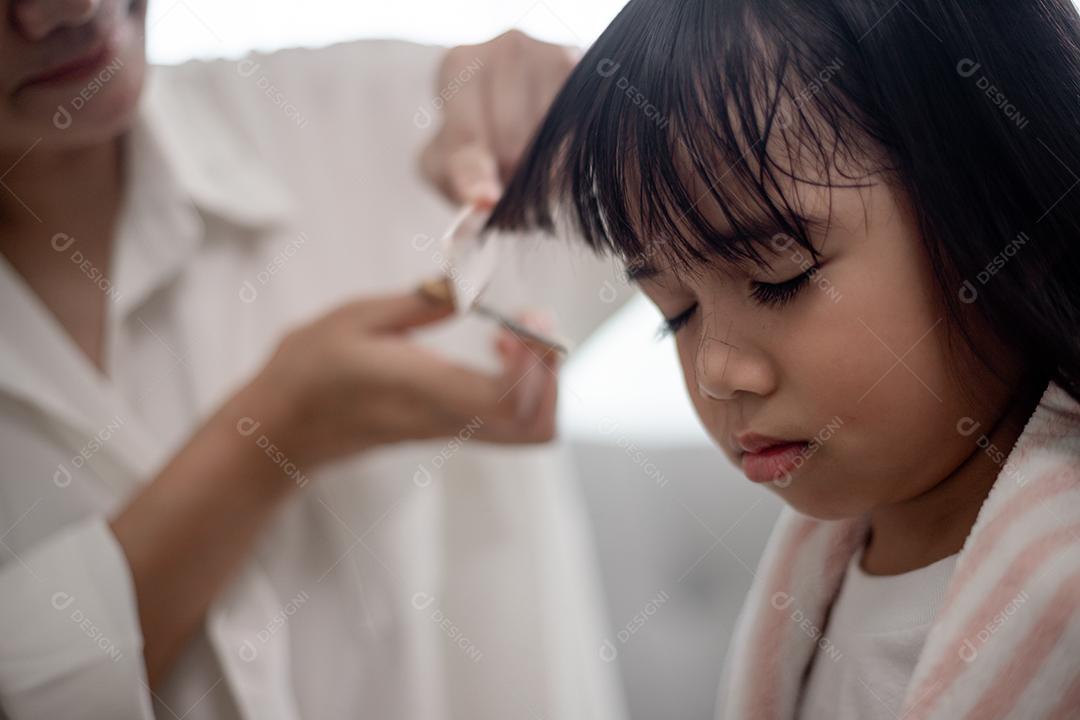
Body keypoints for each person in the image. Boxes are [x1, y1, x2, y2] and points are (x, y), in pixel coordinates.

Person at [0, 1, 632, 718]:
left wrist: (617, 98)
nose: (70, 8)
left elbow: (731, 196)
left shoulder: (399, 113)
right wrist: (273, 436)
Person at [488, 0, 1080, 718]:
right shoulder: (833, 566)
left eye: (779, 280)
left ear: (1006, 217)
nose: (715, 370)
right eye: (675, 314)